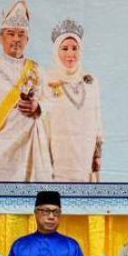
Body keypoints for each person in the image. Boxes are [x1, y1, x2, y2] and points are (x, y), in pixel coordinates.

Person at [0, 0, 52, 183]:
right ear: (1, 38)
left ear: (27, 39)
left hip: (31, 150)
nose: (16, 39)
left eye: (21, 34)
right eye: (11, 34)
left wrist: (37, 106)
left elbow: (51, 103)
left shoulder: (36, 70)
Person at [43, 19, 103, 182]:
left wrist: (97, 154)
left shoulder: (91, 81)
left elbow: (97, 119)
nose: (70, 54)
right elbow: (43, 123)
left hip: (85, 156)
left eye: (74, 48)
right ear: (56, 51)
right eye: (64, 48)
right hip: (58, 157)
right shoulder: (47, 80)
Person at [6, 191, 87, 256]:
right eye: (46, 211)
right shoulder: (20, 245)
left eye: (56, 212)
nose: (51, 217)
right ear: (36, 213)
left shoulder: (71, 246)